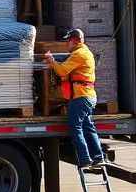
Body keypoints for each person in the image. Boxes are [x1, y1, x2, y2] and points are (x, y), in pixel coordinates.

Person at [44, 28, 106, 169]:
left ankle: (85, 159)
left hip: (80, 97)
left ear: (75, 40)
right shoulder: (84, 52)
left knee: (75, 127)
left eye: (68, 41)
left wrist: (52, 61)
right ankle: (98, 157)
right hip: (88, 96)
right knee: (88, 127)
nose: (67, 44)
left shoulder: (79, 54)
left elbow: (62, 71)